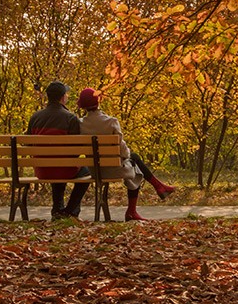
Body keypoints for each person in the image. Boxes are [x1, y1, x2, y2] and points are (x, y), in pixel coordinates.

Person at [76, 87, 177, 221]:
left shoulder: (80, 124)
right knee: (135, 164)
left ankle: (158, 187)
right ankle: (133, 210)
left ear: (83, 106)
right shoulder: (111, 122)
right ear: (98, 101)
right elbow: (123, 151)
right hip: (114, 170)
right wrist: (127, 154)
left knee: (134, 162)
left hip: (95, 171)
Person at [27, 81, 90, 220]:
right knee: (86, 171)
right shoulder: (70, 118)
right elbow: (76, 150)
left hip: (42, 170)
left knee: (57, 164)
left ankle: (57, 209)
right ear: (63, 97)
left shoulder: (35, 117)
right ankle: (71, 210)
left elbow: (28, 144)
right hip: (65, 169)